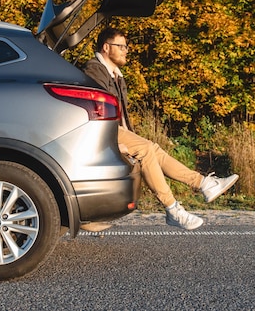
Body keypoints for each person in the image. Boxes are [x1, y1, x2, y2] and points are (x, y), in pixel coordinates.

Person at [83, 27, 239, 230]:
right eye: (121, 46)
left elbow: (122, 117)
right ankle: (172, 208)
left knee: (153, 149)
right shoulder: (94, 70)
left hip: (116, 131)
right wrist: (115, 142)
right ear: (106, 47)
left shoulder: (116, 76)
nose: (126, 50)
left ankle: (203, 184)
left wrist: (128, 138)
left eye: (126, 46)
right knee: (146, 150)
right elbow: (97, 109)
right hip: (103, 132)